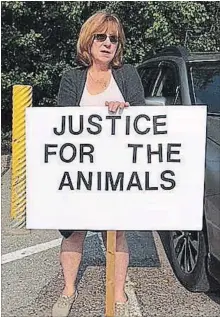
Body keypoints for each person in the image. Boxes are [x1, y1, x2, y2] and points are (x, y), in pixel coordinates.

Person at [52, 11, 145, 317]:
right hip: (78, 174)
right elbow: (60, 124)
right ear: (88, 41)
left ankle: (118, 294)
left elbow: (145, 122)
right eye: (101, 37)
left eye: (114, 39)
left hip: (119, 173)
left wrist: (127, 108)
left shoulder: (128, 75)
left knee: (116, 233)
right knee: (73, 232)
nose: (107, 43)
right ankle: (67, 291)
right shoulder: (72, 79)